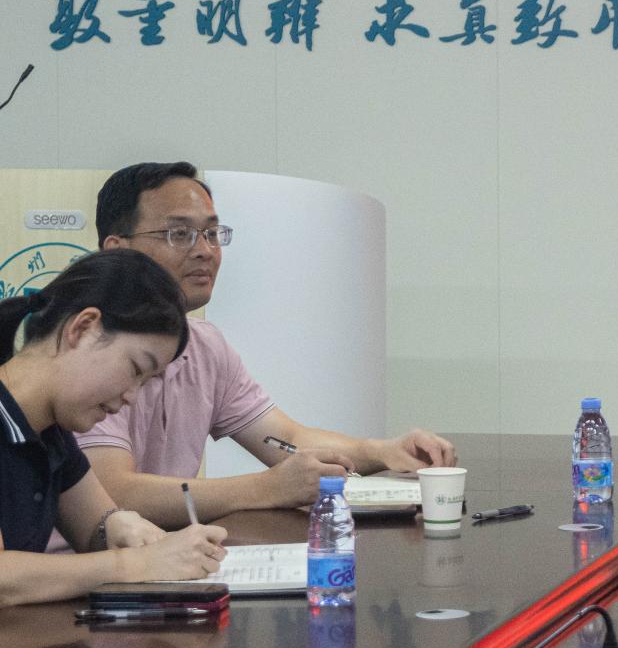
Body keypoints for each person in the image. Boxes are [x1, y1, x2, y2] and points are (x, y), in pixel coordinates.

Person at [77, 162, 458, 528]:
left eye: (212, 233)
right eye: (180, 234)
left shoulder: (205, 344)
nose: (204, 250)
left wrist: (384, 451)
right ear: (117, 249)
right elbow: (111, 491)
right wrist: (266, 488)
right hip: (86, 561)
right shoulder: (90, 344)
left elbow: (287, 439)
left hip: (165, 554)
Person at [0, 250, 226, 606]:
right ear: (83, 328)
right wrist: (135, 563)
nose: (132, 397)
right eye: (135, 369)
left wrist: (127, 530)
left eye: (146, 382)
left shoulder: (50, 431)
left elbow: (96, 527)